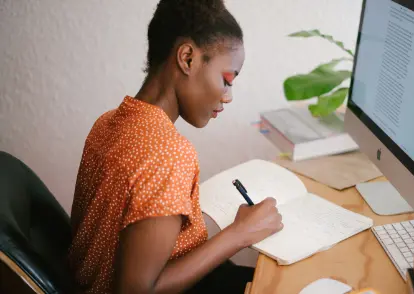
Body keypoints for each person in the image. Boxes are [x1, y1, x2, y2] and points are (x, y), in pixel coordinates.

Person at [67, 0, 284, 293]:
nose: (228, 96)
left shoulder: (108, 123)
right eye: (227, 79)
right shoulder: (169, 153)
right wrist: (239, 234)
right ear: (187, 58)